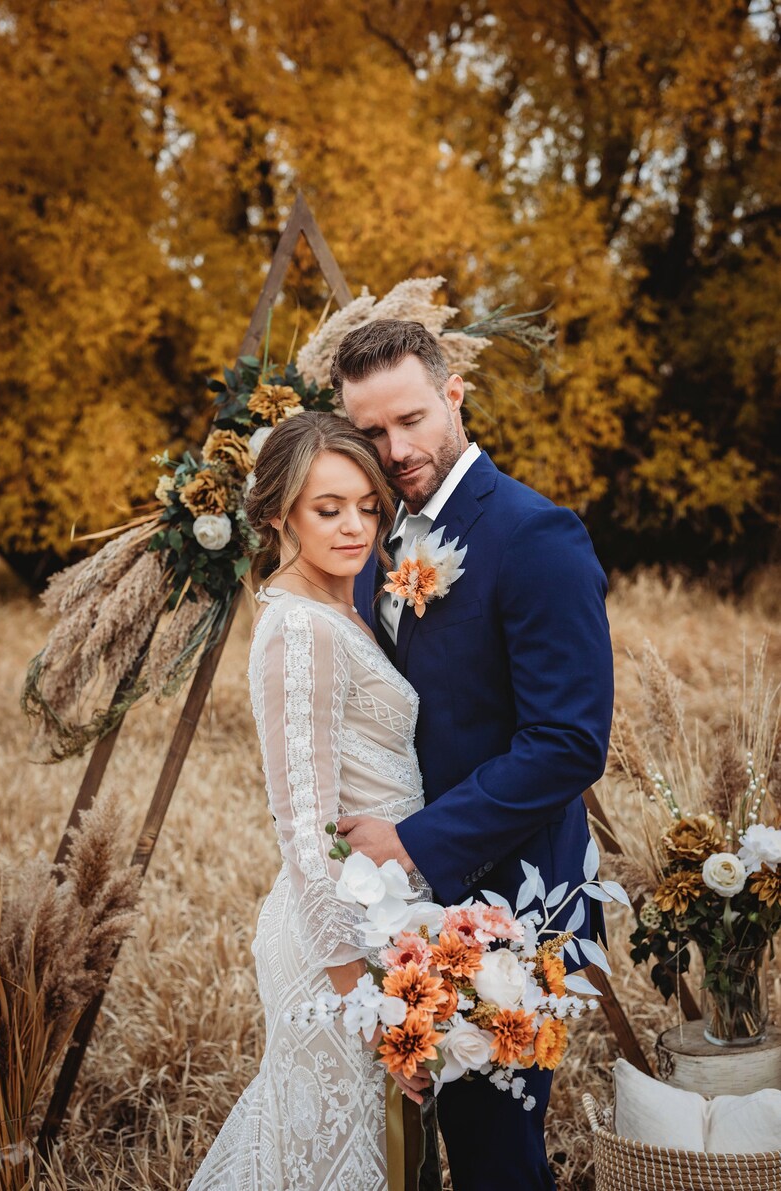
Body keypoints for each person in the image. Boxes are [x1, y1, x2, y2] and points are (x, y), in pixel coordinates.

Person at [333, 319, 614, 1191]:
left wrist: (416, 842)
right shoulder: (379, 539)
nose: (396, 448)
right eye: (371, 433)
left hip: (514, 915)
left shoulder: (535, 534)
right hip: (409, 911)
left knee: (495, 1158)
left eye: (412, 419)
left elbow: (569, 741)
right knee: (416, 1151)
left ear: (454, 395)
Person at [187, 411, 429, 1190]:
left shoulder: (344, 606)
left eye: (366, 503)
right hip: (336, 952)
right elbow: (303, 823)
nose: (355, 525)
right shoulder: (299, 628)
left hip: (380, 927)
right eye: (329, 509)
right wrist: (366, 1005)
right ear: (278, 515)